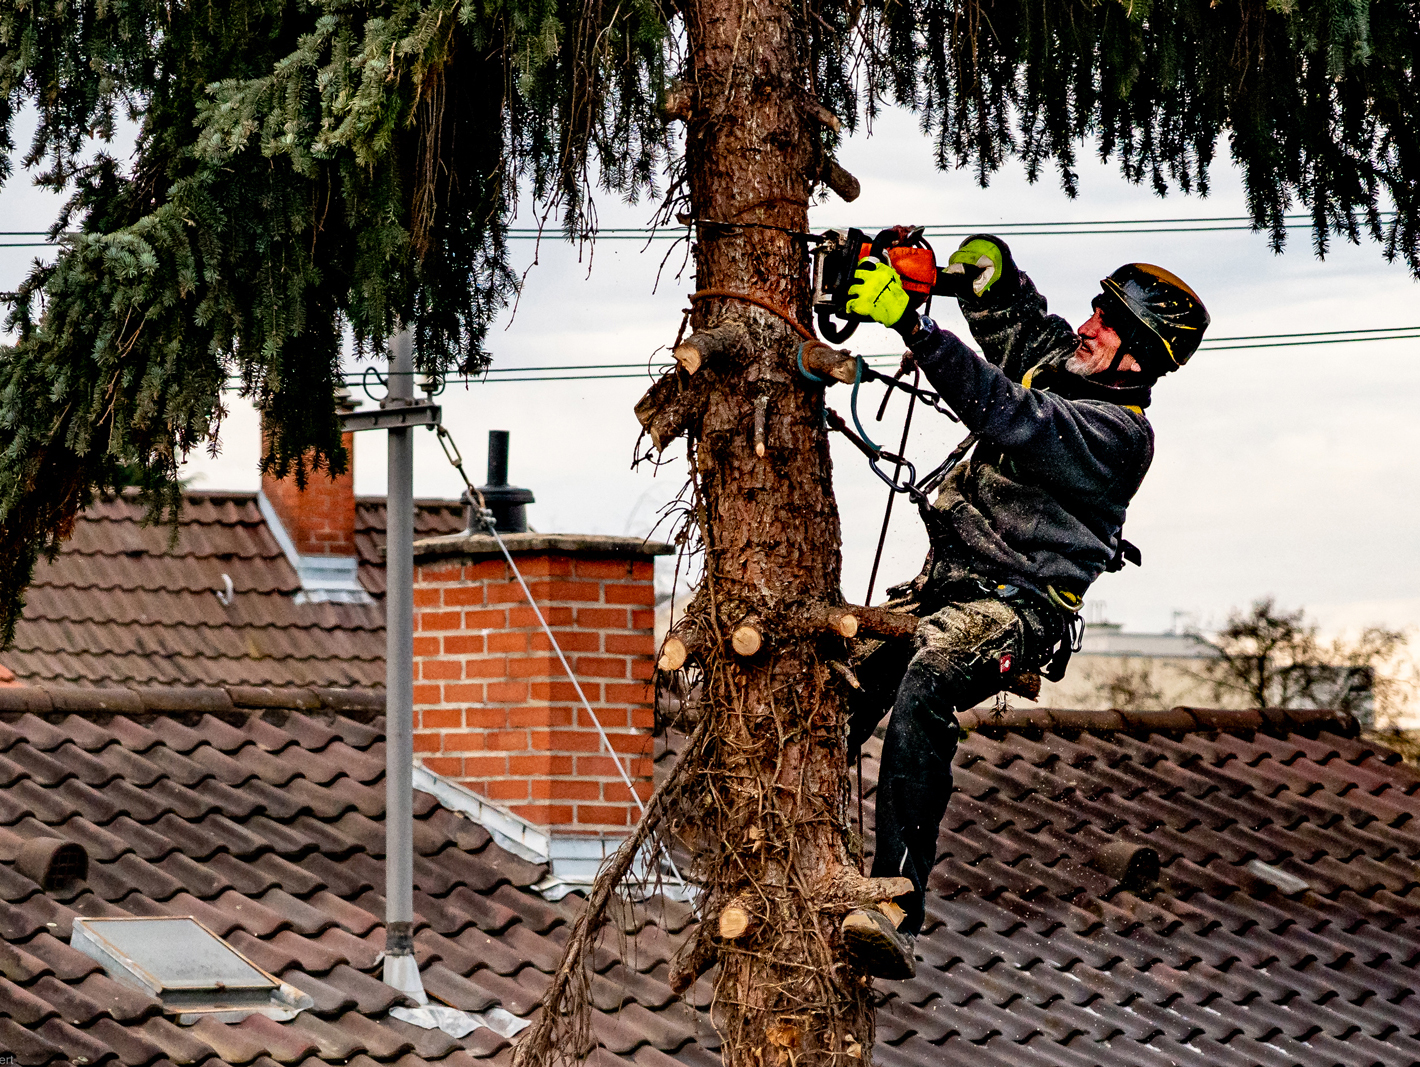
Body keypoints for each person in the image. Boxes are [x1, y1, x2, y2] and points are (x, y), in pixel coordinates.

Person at [835, 236, 1210, 979]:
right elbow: (1017, 323)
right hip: (945, 586)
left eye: (1108, 321)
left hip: (1018, 609)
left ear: (1136, 356)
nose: (1090, 322)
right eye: (1097, 306)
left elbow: (1011, 414)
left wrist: (915, 326)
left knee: (930, 679)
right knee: (835, 688)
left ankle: (896, 907)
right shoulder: (1065, 361)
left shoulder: (1116, 435)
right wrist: (978, 274)